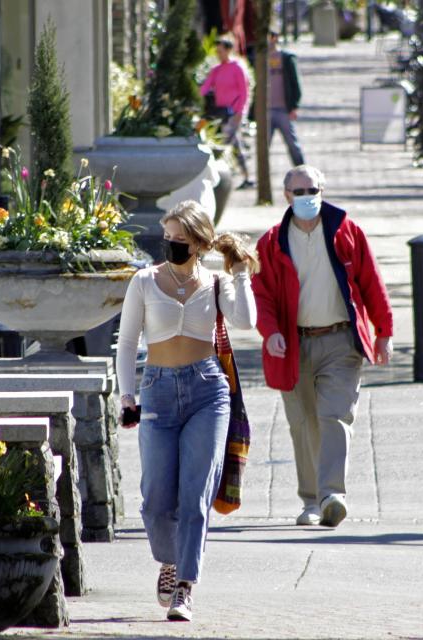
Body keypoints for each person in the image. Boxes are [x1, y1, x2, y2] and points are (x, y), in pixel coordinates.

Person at [115, 200, 258, 622]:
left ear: (199, 242)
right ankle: (170, 559)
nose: (172, 246)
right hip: (157, 388)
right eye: (168, 238)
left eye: (180, 240)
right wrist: (127, 396)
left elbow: (246, 320)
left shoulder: (215, 283)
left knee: (195, 495)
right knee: (156, 499)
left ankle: (185, 586)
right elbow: (126, 344)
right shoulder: (144, 281)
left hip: (208, 391)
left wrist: (240, 273)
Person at [251, 165, 393, 528]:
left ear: (322, 190)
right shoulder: (270, 242)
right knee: (303, 425)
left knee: (335, 416)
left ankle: (332, 495)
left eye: (312, 190)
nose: (306, 198)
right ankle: (311, 501)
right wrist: (270, 332)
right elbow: (261, 294)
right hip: (293, 344)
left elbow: (371, 281)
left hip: (341, 340)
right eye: (298, 192)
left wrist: (384, 332)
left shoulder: (347, 231)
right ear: (286, 197)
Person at [200, 33, 253, 189]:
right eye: (217, 51)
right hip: (221, 112)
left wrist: (240, 112)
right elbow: (206, 87)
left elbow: (244, 92)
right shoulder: (217, 69)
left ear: (229, 50)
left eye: (220, 50)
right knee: (235, 144)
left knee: (224, 143)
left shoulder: (237, 68)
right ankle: (246, 176)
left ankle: (217, 175)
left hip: (234, 112)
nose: (218, 54)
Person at [266, 28, 305, 167]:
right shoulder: (260, 59)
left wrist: (294, 106)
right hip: (266, 110)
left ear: (275, 38)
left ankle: (302, 171)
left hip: (284, 109)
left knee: (293, 145)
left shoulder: (287, 58)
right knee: (264, 147)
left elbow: (295, 83)